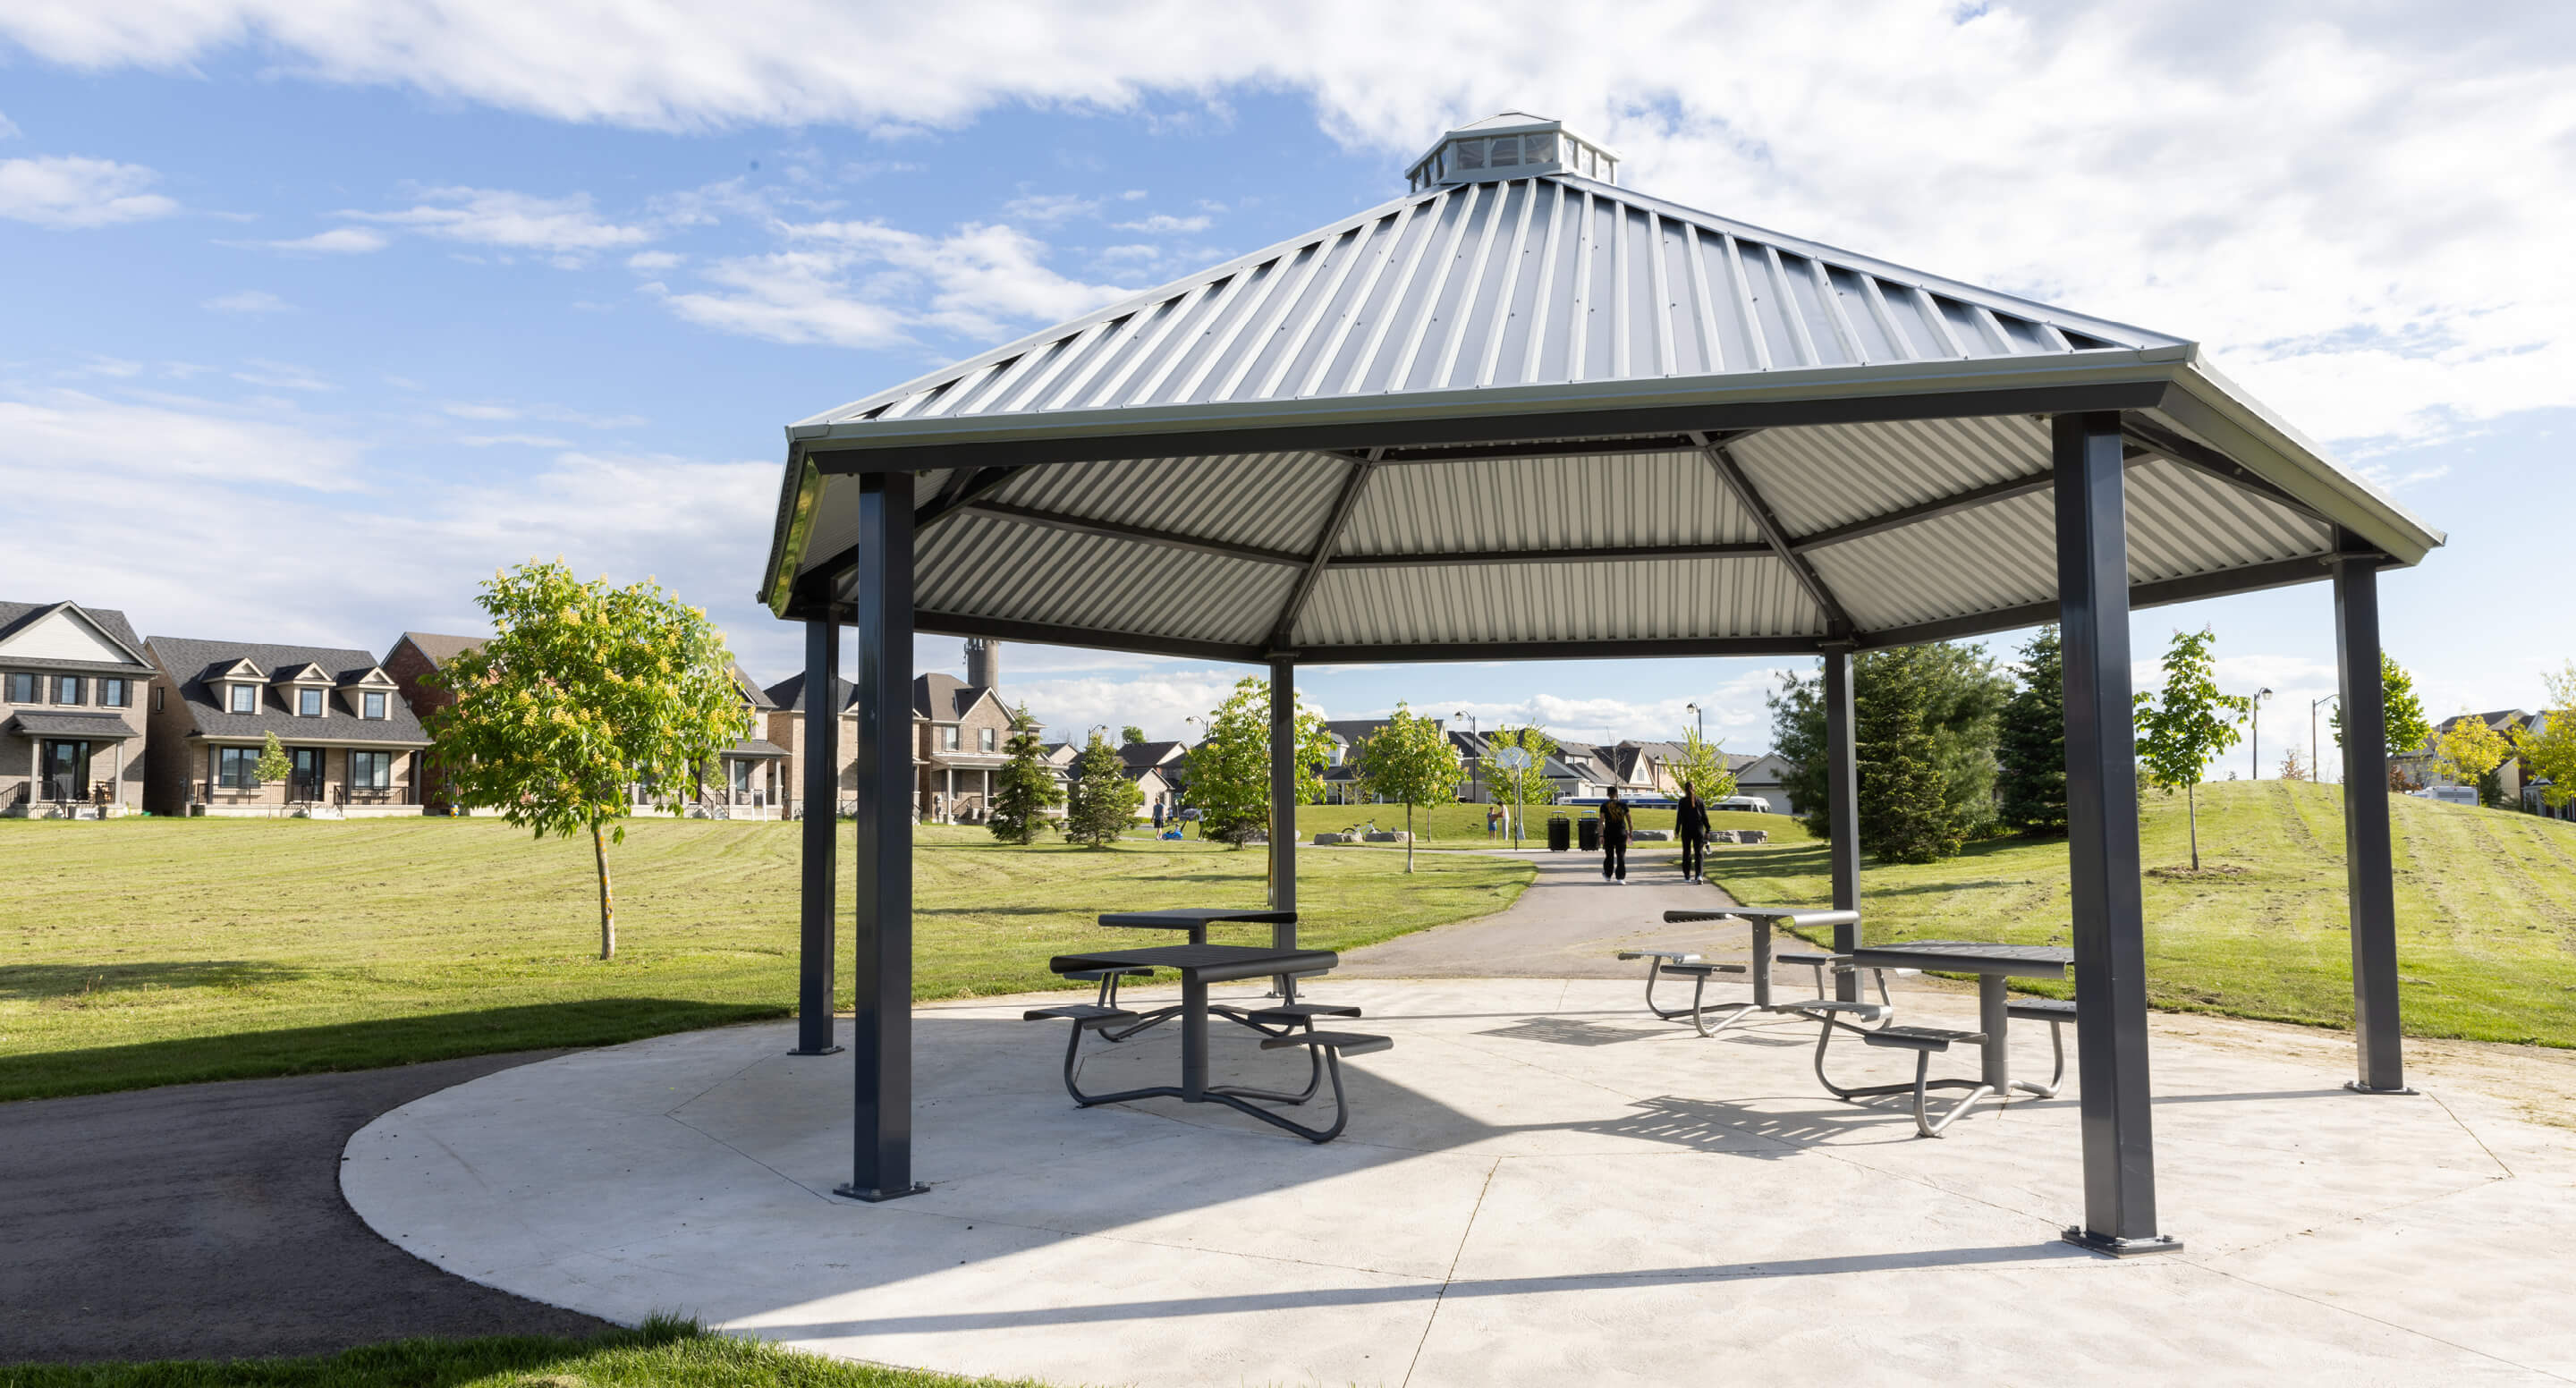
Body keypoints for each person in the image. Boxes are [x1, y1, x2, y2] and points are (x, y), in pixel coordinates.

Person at [1675, 780, 1709, 884]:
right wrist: (1708, 829)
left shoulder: (1682, 801)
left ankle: (1687, 876)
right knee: (1699, 853)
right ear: (1694, 789)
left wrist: (1677, 830)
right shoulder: (1700, 801)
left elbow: (1679, 818)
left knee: (1687, 853)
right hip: (1698, 829)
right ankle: (1699, 875)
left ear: (1684, 790)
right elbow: (1704, 817)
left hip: (1686, 830)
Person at [1599, 784, 1632, 884]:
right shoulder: (1624, 805)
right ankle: (1620, 877)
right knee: (1621, 855)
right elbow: (1630, 821)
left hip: (1609, 833)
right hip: (1621, 833)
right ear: (1616, 793)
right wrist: (1630, 833)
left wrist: (1601, 835)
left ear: (1608, 794)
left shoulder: (1604, 806)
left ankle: (1608, 875)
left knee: (1609, 855)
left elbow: (1601, 821)